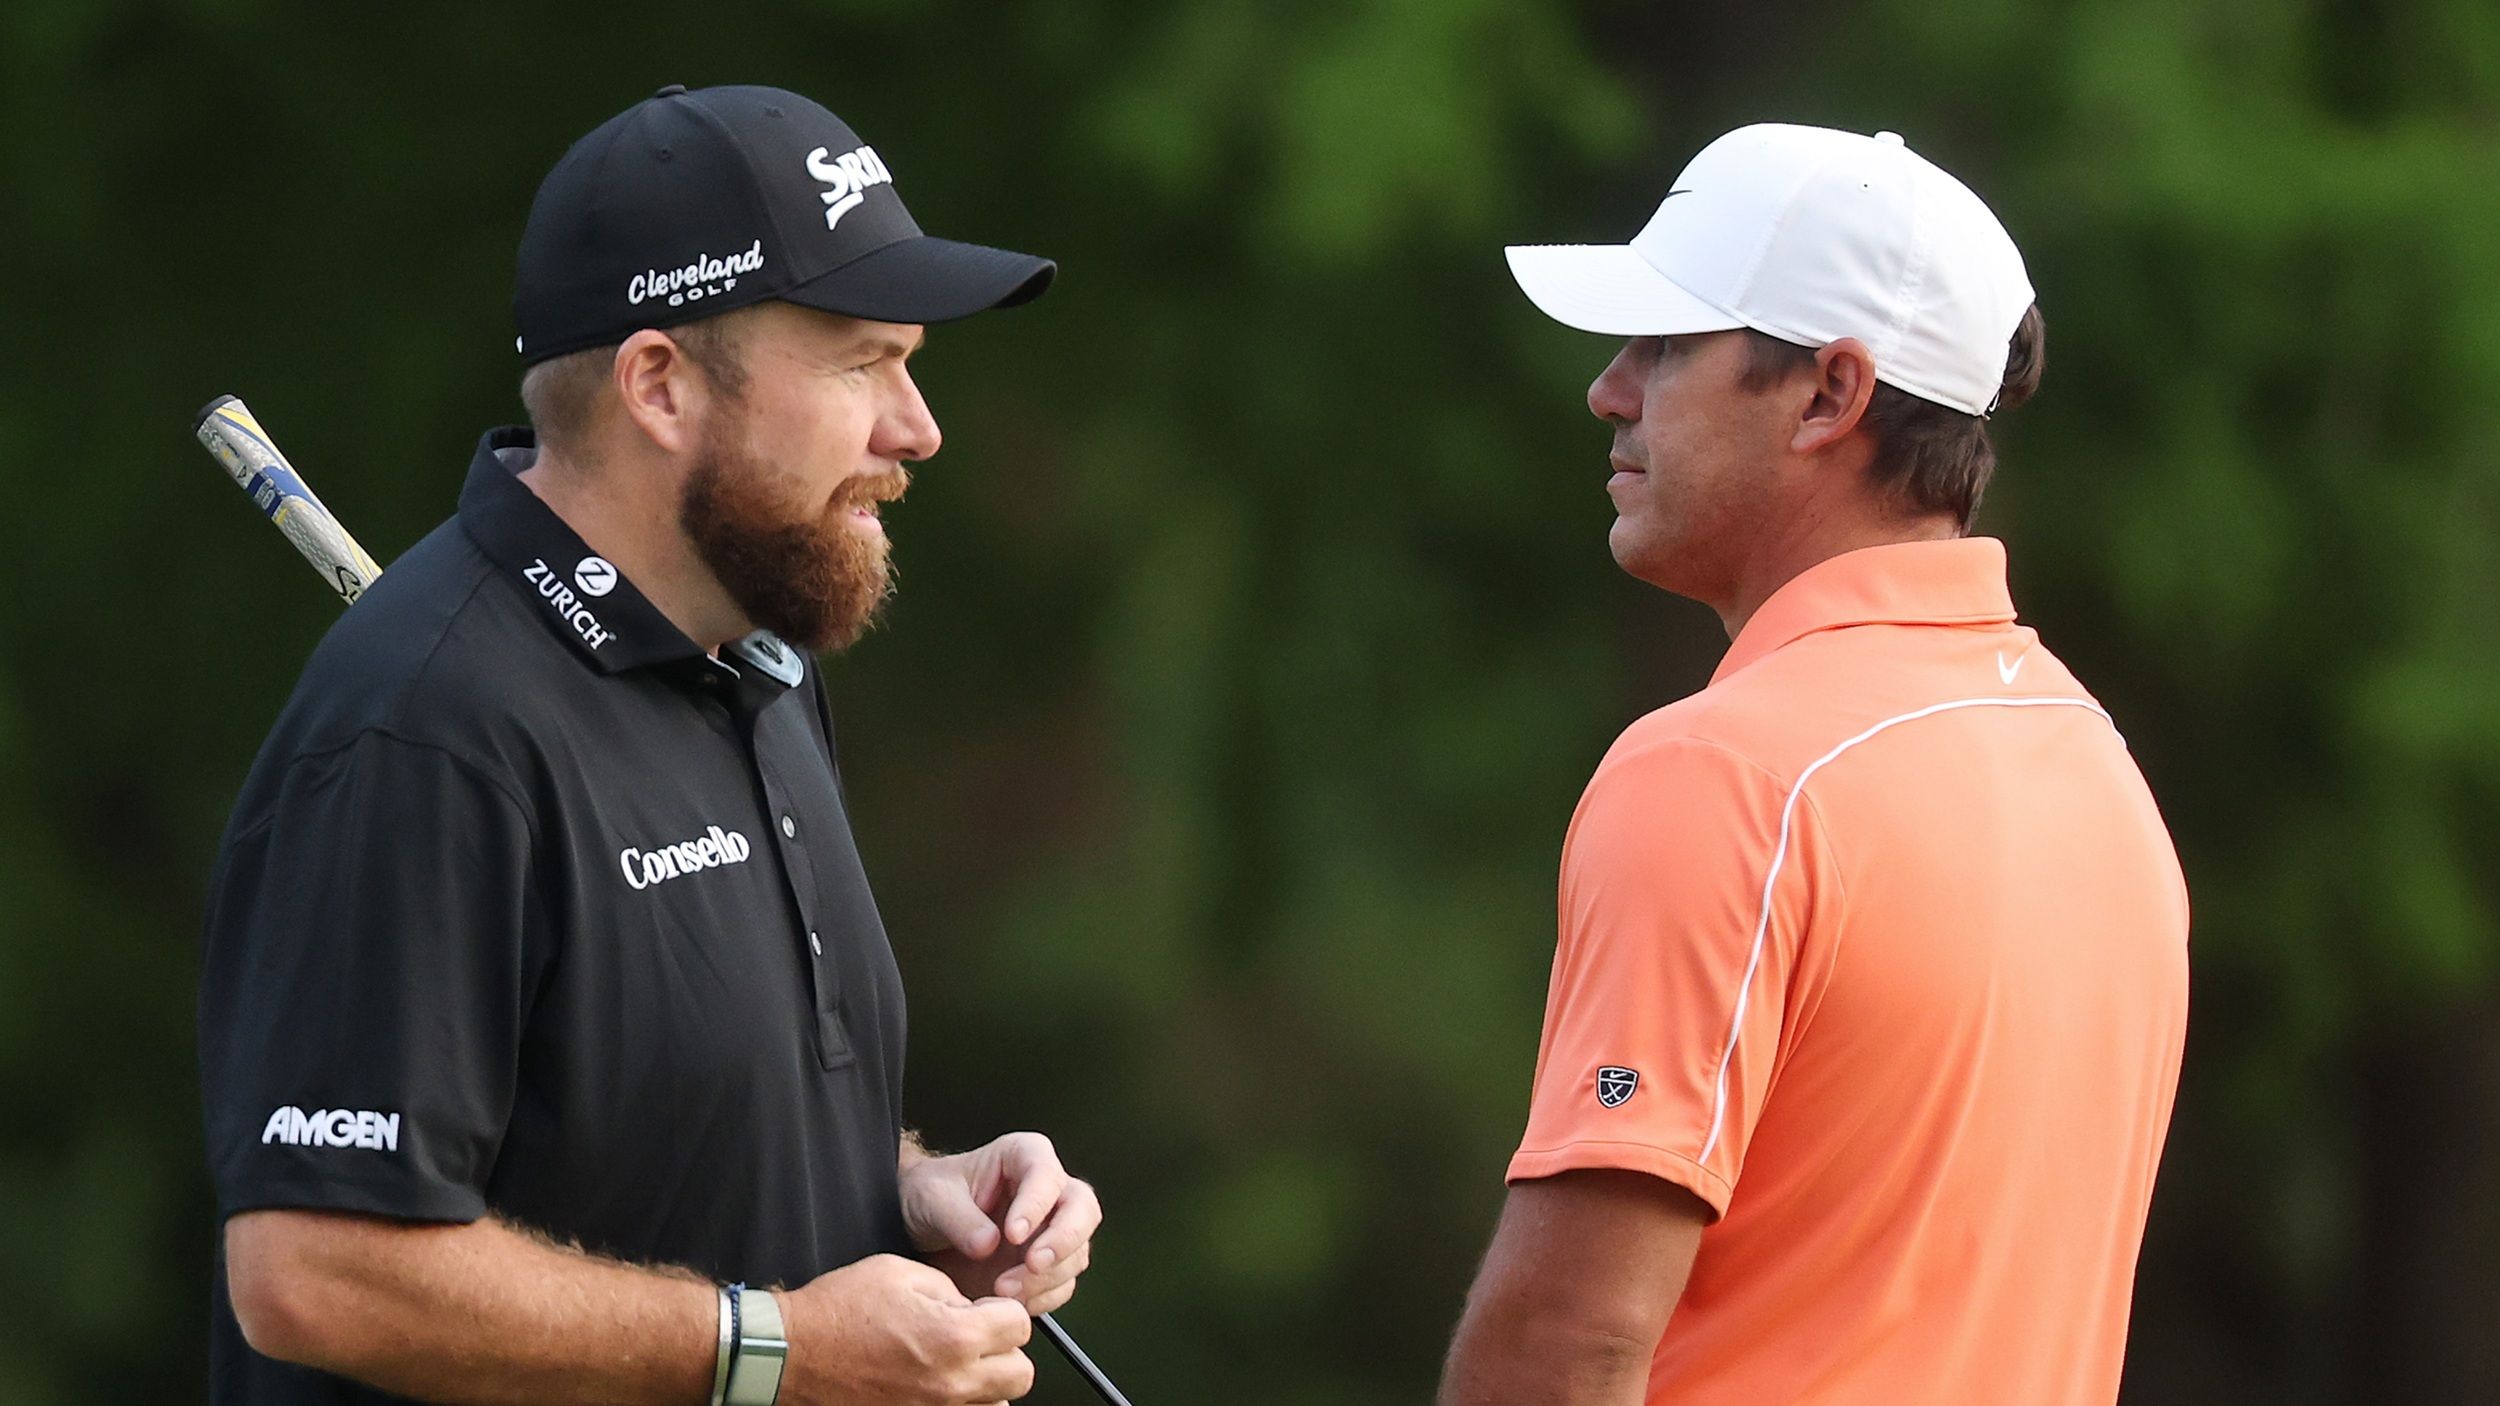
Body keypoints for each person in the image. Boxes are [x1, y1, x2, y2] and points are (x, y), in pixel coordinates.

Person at [198, 84, 1098, 1406]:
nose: (917, 431)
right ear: (660, 385)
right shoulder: (428, 730)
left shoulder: (759, 671)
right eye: (863, 363)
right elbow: (316, 1266)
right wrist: (779, 1347)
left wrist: (909, 1188)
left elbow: (670, 1121)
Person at [1437, 124, 2189, 1405]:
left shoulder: (1722, 774)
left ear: (1832, 394)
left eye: (1665, 346)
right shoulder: (2097, 765)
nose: (1608, 390)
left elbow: (1565, 1348)